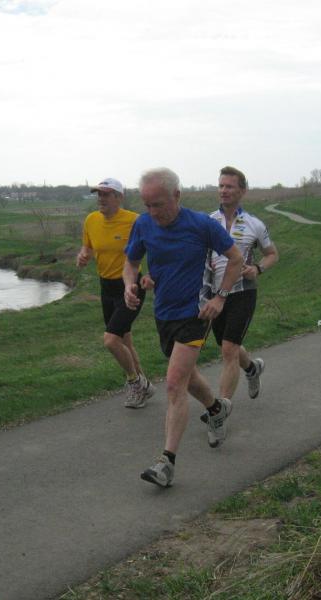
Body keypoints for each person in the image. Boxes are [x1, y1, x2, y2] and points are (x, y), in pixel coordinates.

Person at [123, 168, 243, 488]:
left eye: (159, 204)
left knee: (174, 383)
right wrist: (129, 284)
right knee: (187, 378)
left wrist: (220, 297)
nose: (153, 212)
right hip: (164, 313)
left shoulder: (201, 225)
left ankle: (166, 463)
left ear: (177, 196)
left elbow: (236, 259)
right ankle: (216, 410)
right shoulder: (143, 224)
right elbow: (131, 262)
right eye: (147, 205)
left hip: (196, 312)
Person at [202, 166, 278, 404]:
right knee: (229, 347)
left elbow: (272, 254)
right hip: (215, 294)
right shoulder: (207, 221)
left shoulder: (254, 224)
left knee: (229, 349)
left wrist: (257, 268)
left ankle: (221, 409)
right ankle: (252, 369)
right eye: (221, 186)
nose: (223, 191)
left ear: (242, 191)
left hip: (243, 291)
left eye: (229, 186)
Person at [76, 178, 154, 409]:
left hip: (130, 287)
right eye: (98, 194)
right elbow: (87, 246)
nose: (101, 198)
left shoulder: (136, 221)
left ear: (119, 197)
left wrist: (152, 274)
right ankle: (144, 386)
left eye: (106, 194)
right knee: (124, 340)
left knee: (111, 340)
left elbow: (156, 247)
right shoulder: (91, 220)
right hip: (106, 287)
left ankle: (134, 382)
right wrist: (83, 255)